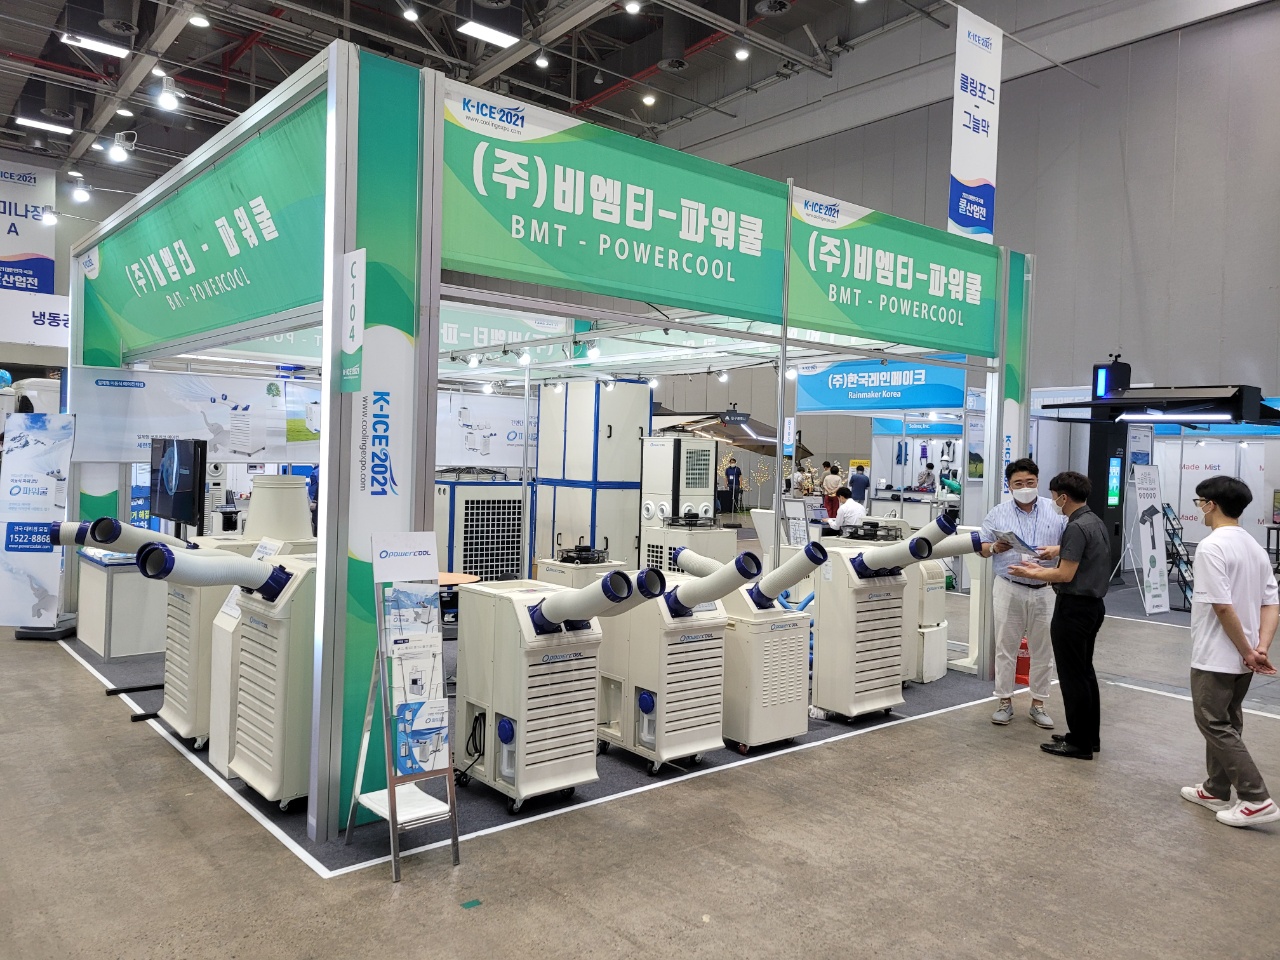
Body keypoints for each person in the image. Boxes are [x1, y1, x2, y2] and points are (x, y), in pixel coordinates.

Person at [1179, 475, 1280, 827]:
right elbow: (1272, 603)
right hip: (1244, 656)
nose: (1200, 509)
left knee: (1213, 722)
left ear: (1211, 505)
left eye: (1200, 503)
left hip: (1217, 655)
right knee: (1228, 720)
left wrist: (1248, 650)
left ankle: (1255, 798)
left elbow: (1222, 606)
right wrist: (1259, 648)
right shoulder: (1254, 546)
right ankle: (1216, 788)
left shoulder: (1211, 547)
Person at [1009, 471, 1111, 760]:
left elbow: (1065, 574)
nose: (1052, 501)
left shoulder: (1075, 527)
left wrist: (1033, 572)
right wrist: (1057, 552)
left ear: (1063, 497)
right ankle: (1089, 737)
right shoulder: (1094, 521)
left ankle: (1078, 743)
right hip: (1093, 607)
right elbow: (1083, 557)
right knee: (1085, 673)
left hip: (1074, 608)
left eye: (1054, 496)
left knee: (1072, 676)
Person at [980, 458, 1067, 730]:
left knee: (1044, 649)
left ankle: (1038, 703)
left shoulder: (1057, 511)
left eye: (1030, 482)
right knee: (1005, 646)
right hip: (1009, 586)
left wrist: (1056, 551)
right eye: (1018, 483)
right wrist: (994, 548)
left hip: (1046, 588)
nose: (1025, 487)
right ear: (1009, 485)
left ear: (1038, 481)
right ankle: (1004, 701)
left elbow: (1072, 545)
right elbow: (982, 547)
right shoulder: (997, 513)